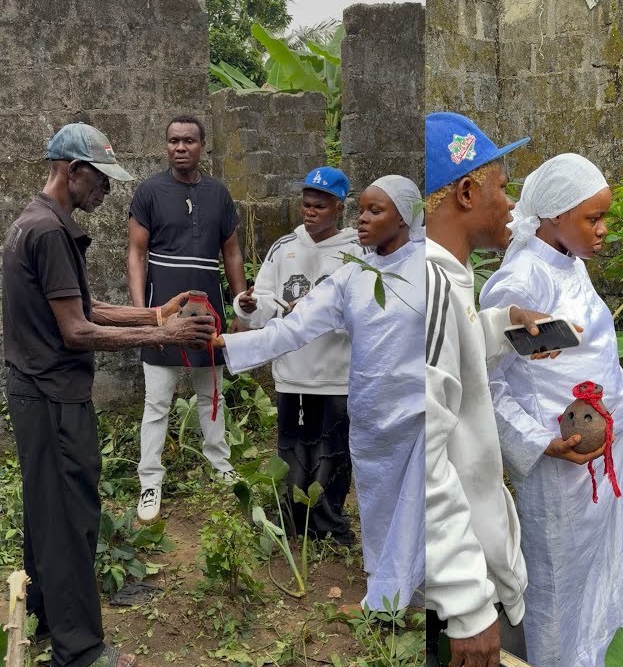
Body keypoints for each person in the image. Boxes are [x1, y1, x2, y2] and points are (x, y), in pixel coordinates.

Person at [3, 123, 215, 667]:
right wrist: (162, 336)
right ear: (71, 171)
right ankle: (78, 654)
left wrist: (152, 314)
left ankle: (49, 617)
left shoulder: (44, 222)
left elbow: (87, 305)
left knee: (51, 512)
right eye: (100, 180)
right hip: (51, 395)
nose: (107, 192)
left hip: (44, 393)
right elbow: (76, 330)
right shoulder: (48, 231)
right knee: (68, 517)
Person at [478, 153, 623, 667]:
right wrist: (543, 441)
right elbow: (489, 384)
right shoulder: (518, 280)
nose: (604, 230)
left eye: (603, 217)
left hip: (605, 446)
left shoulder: (572, 262)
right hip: (560, 462)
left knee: (610, 555)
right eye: (593, 219)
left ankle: (602, 662)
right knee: (560, 572)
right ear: (554, 216)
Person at [216, 175, 426, 612]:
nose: (364, 220)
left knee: (421, 502)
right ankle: (387, 588)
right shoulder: (353, 276)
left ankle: (416, 589)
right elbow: (294, 327)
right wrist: (230, 343)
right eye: (364, 210)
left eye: (376, 211)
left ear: (405, 218)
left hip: (421, 411)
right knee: (380, 501)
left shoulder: (430, 270)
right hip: (372, 413)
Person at [422, 112, 555, 667]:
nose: (511, 202)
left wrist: (503, 323)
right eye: (502, 186)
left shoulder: (445, 280)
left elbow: (450, 360)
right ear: (467, 191)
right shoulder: (428, 290)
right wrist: (468, 604)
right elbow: (418, 454)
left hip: (469, 566)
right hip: (462, 586)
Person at [231, 166, 363, 544]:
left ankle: (327, 523)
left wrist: (320, 313)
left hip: (336, 373)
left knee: (333, 452)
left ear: (339, 207)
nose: (310, 212)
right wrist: (248, 305)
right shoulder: (284, 247)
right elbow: (267, 304)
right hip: (292, 371)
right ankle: (291, 520)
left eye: (319, 206)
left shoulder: (357, 253)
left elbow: (361, 312)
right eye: (306, 205)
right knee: (292, 448)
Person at [127, 114, 248, 523]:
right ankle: (150, 482)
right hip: (163, 313)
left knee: (211, 393)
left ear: (202, 146)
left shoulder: (219, 194)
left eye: (189, 141)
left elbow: (231, 251)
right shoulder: (148, 192)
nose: (181, 147)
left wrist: (238, 305)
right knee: (157, 401)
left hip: (207, 313)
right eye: (173, 141)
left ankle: (220, 463)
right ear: (166, 146)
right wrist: (145, 316)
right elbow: (136, 254)